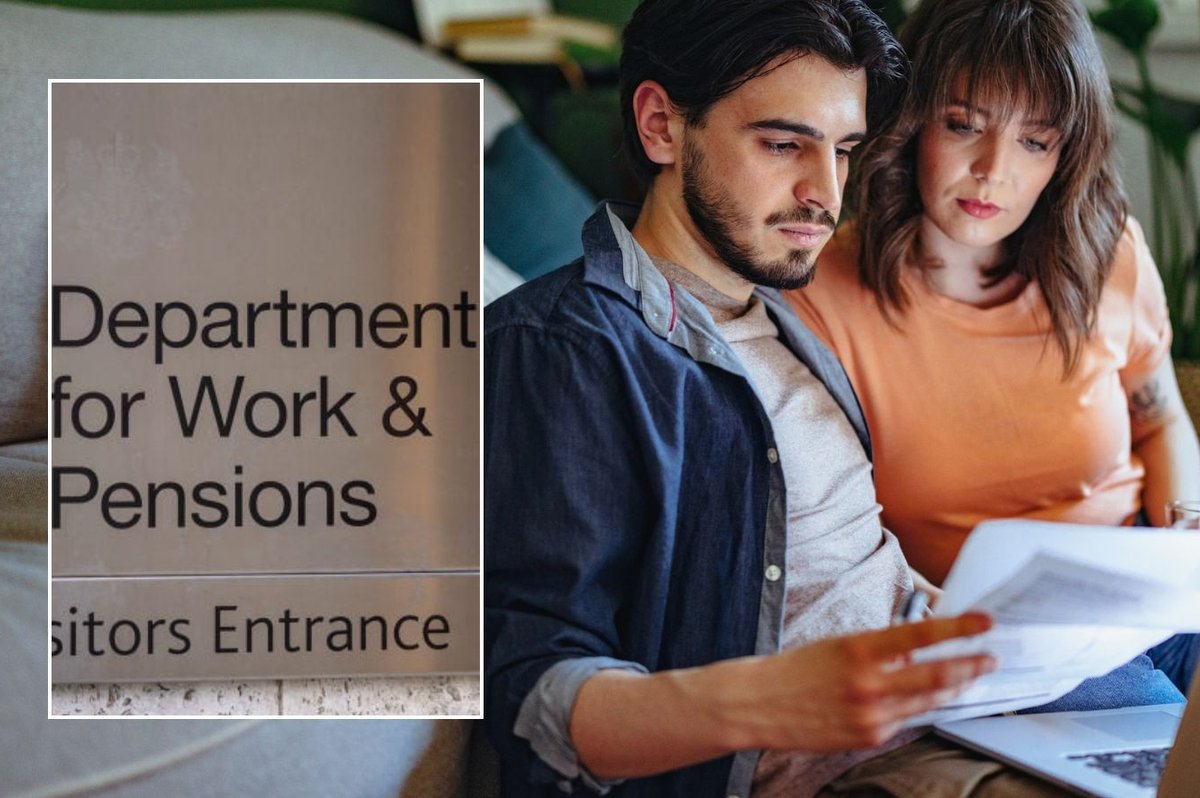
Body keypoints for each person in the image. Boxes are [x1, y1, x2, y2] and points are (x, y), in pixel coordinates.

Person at [483, 2, 1079, 796]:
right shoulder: (564, 347)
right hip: (875, 770)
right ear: (661, 125)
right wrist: (768, 702)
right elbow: (533, 692)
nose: (825, 194)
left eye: (842, 150)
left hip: (972, 705)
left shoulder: (781, 318)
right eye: (782, 144)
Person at [785, 0, 1200, 692]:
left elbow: (1160, 421)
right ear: (911, 123)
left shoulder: (1108, 253)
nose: (992, 170)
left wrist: (1185, 531)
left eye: (1034, 141)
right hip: (986, 632)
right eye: (962, 126)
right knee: (1145, 714)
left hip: (1144, 590)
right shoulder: (819, 290)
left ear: (1065, 153)